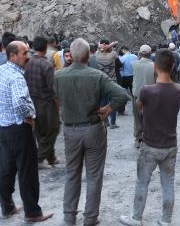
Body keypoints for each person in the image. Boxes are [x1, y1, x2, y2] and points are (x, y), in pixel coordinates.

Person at [53, 38, 128, 226]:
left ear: (70, 55)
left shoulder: (58, 76)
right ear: (89, 56)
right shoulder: (97, 76)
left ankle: (69, 217)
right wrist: (108, 109)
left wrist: (63, 109)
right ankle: (90, 218)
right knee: (94, 176)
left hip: (70, 131)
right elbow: (122, 95)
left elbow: (53, 98)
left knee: (72, 174)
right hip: (94, 129)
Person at [0, 41, 53, 223]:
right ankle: (32, 213)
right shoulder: (16, 77)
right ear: (13, 56)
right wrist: (28, 117)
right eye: (25, 53)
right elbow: (19, 103)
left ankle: (7, 207)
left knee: (6, 169)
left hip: (4, 128)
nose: (28, 56)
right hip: (20, 129)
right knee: (27, 172)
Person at [119, 49, 180, 226]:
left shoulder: (147, 91)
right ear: (172, 67)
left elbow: (138, 107)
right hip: (170, 144)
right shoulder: (179, 90)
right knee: (168, 183)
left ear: (155, 67)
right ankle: (166, 220)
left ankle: (136, 218)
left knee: (142, 182)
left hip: (150, 144)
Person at [24, 36, 59, 169]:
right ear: (45, 48)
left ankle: (51, 157)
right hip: (46, 103)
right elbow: (53, 89)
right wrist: (58, 105)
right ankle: (39, 158)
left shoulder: (27, 63)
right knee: (53, 129)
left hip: (32, 101)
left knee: (40, 131)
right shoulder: (47, 65)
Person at [131, 45, 155, 149]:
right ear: (150, 53)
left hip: (137, 94)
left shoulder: (134, 64)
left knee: (137, 118)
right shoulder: (154, 65)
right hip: (151, 94)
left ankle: (138, 139)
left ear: (140, 53)